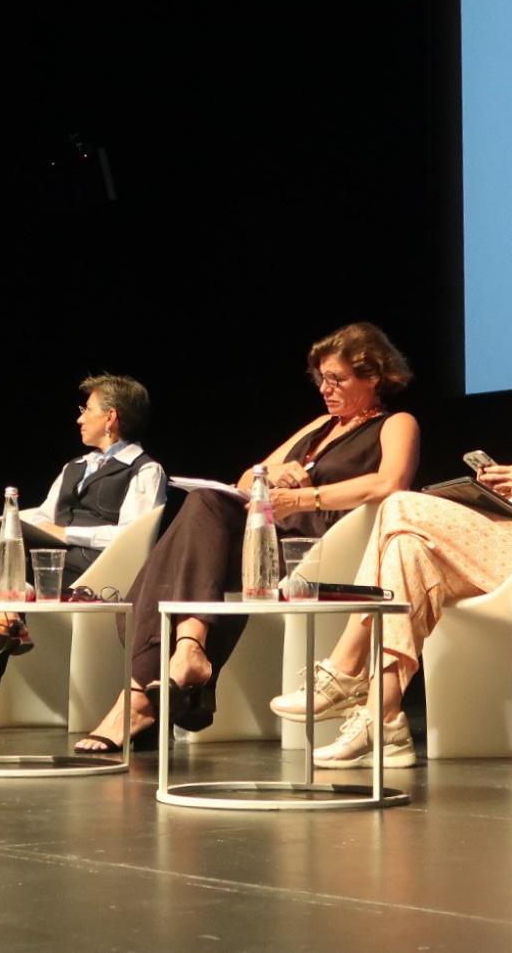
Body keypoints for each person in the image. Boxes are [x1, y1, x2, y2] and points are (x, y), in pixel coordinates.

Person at [268, 303, 512, 767]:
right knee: (407, 548)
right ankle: (385, 715)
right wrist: (508, 499)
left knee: (399, 504)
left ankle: (343, 668)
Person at [75, 322, 421, 754]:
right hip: (269, 537)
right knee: (204, 502)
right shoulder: (319, 426)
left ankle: (141, 696)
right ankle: (187, 650)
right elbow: (246, 478)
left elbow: (390, 484)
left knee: (181, 555)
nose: (326, 390)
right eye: (321, 379)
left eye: (338, 379)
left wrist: (306, 498)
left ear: (374, 377)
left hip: (320, 545)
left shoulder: (395, 423)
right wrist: (274, 475)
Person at [0, 374, 165, 736]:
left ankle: (0, 632)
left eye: (87, 410)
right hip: (52, 564)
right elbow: (45, 515)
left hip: (96, 568)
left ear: (111, 418)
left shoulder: (145, 470)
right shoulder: (75, 466)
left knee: (0, 587)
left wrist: (67, 533)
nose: (80, 418)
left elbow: (131, 536)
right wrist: (10, 519)